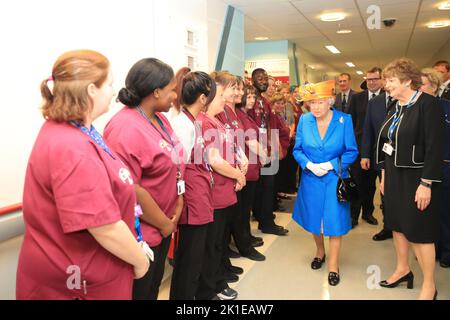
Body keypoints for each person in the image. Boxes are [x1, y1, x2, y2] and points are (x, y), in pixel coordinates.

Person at [16, 50, 150, 300]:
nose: (113, 91)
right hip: (76, 281)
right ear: (91, 90)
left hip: (89, 270)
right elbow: (104, 227)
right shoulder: (71, 147)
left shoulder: (79, 132)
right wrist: (139, 261)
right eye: (109, 84)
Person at [104, 58, 185, 300]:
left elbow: (173, 159)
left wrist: (178, 203)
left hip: (165, 224)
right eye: (172, 89)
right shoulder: (124, 127)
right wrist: (163, 224)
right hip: (144, 233)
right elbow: (132, 189)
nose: (175, 95)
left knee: (152, 289)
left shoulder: (160, 118)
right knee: (141, 292)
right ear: (156, 91)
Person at [376, 58, 445, 300]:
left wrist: (426, 184)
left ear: (407, 81)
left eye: (391, 80)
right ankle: (403, 269)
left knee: (419, 230)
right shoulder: (396, 106)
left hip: (417, 178)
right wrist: (384, 174)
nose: (387, 85)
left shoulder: (428, 105)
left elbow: (435, 148)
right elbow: (388, 142)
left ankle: (429, 284)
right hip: (394, 175)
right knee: (397, 225)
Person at [293, 80, 358, 286]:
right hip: (311, 178)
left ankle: (333, 264)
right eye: (312, 103)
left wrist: (331, 165)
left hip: (334, 179)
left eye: (320, 102)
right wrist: (308, 165)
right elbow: (297, 149)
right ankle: (320, 251)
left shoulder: (344, 120)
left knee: (335, 221)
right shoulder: (304, 120)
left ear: (330, 101)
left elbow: (351, 151)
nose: (316, 107)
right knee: (314, 219)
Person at [195, 71, 246, 301]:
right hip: (214, 192)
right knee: (212, 244)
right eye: (227, 90)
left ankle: (217, 280)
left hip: (225, 190)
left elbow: (230, 147)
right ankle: (212, 285)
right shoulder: (204, 122)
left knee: (219, 241)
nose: (231, 94)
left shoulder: (217, 119)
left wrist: (239, 166)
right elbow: (214, 160)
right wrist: (238, 174)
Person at [169, 71, 217, 300]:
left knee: (194, 259)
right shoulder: (183, 125)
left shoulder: (191, 122)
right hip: (191, 202)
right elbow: (178, 169)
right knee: (189, 261)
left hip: (199, 198)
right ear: (202, 98)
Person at [249, 68, 289, 235]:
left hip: (267, 150)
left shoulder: (265, 102)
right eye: (260, 78)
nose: (264, 81)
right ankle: (263, 220)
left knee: (267, 187)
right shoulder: (249, 101)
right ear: (252, 81)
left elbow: (271, 126)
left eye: (266, 78)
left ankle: (266, 222)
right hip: (253, 151)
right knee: (259, 189)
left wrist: (276, 146)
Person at [420, 68, 450, 269]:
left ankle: (447, 250)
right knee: (425, 213)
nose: (417, 88)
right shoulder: (414, 109)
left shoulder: (446, 107)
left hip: (445, 169)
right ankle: (431, 248)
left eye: (421, 84)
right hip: (421, 170)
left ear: (433, 86)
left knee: (444, 212)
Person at [348, 67, 384, 228]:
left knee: (372, 185)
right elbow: (350, 122)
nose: (371, 82)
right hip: (359, 149)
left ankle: (368, 213)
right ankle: (353, 216)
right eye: (369, 79)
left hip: (380, 150)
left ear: (382, 80)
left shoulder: (388, 98)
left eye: (375, 79)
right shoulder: (357, 98)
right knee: (357, 183)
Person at [361, 87, 396, 241]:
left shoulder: (405, 100)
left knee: (392, 193)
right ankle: (387, 227)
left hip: (398, 157)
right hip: (377, 156)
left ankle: (398, 226)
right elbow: (367, 129)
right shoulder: (374, 102)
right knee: (381, 193)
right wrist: (365, 155)